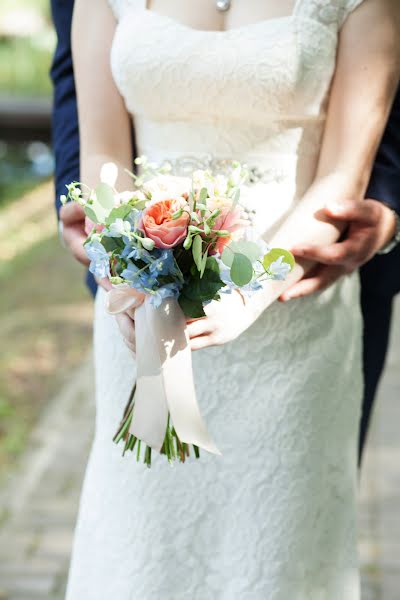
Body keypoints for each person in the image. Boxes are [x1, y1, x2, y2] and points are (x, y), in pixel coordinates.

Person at [50, 1, 400, 598]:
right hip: (147, 307)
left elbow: (344, 178)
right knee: (141, 541)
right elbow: (104, 157)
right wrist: (135, 270)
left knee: (278, 550)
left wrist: (252, 292)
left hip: (294, 313)